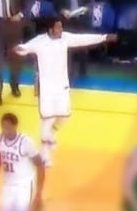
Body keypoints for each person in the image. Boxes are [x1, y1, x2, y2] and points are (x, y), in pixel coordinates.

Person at [14, 17, 116, 166]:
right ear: (50, 29)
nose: (61, 30)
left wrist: (104, 37)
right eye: (58, 28)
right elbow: (25, 48)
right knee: (46, 120)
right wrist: (18, 48)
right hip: (46, 88)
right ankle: (44, 154)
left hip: (62, 85)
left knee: (64, 118)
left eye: (61, 27)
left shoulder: (65, 38)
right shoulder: (39, 41)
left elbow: (83, 39)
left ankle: (51, 135)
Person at [53, 0, 95, 79]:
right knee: (67, 47)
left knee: (83, 46)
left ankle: (83, 70)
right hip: (67, 19)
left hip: (82, 18)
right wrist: (62, 11)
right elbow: (56, 4)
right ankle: (68, 71)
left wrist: (86, 9)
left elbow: (91, 1)